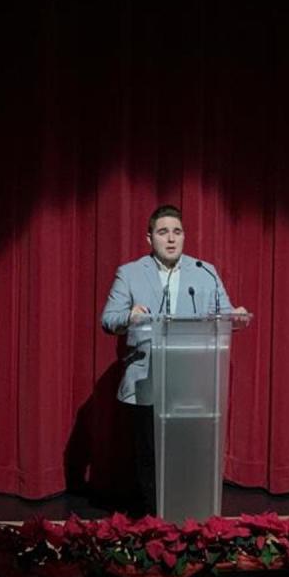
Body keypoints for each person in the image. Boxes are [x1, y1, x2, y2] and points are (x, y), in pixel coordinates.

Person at [100, 204, 246, 516]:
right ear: (149, 238)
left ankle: (191, 518)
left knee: (188, 453)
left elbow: (226, 313)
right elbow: (108, 319)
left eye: (177, 232)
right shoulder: (130, 273)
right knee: (150, 455)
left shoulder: (204, 271)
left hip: (192, 379)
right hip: (147, 379)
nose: (171, 239)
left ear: (184, 237)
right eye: (163, 232)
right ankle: (156, 519)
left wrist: (236, 316)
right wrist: (130, 316)